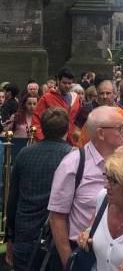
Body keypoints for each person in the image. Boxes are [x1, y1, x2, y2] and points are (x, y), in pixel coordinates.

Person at [48, 106, 123, 268]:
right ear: (100, 133)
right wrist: (69, 262)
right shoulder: (73, 164)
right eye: (121, 128)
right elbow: (57, 216)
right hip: (84, 254)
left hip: (121, 256)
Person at [5, 107, 72, 271]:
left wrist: (10, 238)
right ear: (67, 128)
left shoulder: (24, 153)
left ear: (41, 126)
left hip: (25, 233)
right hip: (58, 238)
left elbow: (12, 200)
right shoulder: (73, 156)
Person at [75, 75, 123, 152]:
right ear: (97, 96)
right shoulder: (93, 119)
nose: (104, 96)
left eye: (108, 93)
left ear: (115, 94)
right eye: (102, 93)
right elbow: (82, 144)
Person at [33, 68, 82, 145]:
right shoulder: (46, 98)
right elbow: (36, 120)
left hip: (72, 142)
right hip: (52, 142)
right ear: (58, 81)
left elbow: (79, 121)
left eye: (70, 83)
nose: (67, 86)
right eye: (64, 83)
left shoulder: (76, 98)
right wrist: (42, 140)